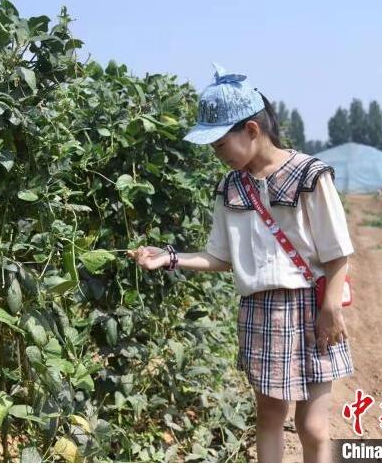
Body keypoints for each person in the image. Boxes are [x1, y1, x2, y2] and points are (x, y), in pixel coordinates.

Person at [126, 63, 355, 463]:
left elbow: (338, 252)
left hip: (313, 307)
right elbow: (220, 257)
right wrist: (169, 258)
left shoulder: (309, 175)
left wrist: (331, 309)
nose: (216, 155)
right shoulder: (230, 188)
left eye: (219, 144)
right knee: (269, 416)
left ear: (251, 129)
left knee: (312, 426)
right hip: (260, 311)